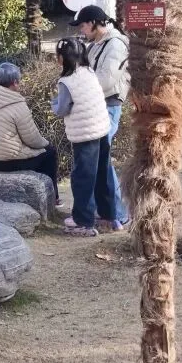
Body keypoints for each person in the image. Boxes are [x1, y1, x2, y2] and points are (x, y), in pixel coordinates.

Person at [71, 4, 131, 230]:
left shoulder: (115, 45)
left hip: (108, 106)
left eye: (83, 26)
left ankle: (118, 213)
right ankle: (105, 211)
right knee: (98, 160)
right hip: (96, 105)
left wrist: (79, 88)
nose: (81, 30)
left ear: (94, 23)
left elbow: (105, 80)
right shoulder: (96, 45)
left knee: (102, 160)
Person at [52, 37, 118, 237]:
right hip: (102, 129)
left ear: (63, 58)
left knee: (83, 177)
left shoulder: (66, 81)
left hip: (85, 134)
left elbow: (62, 109)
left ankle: (82, 221)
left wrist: (53, 104)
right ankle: (108, 216)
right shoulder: (89, 72)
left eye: (57, 55)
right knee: (102, 173)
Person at [0, 62, 59, 203]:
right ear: (15, 82)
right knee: (49, 153)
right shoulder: (17, 104)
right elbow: (32, 139)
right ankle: (52, 199)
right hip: (6, 162)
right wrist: (46, 144)